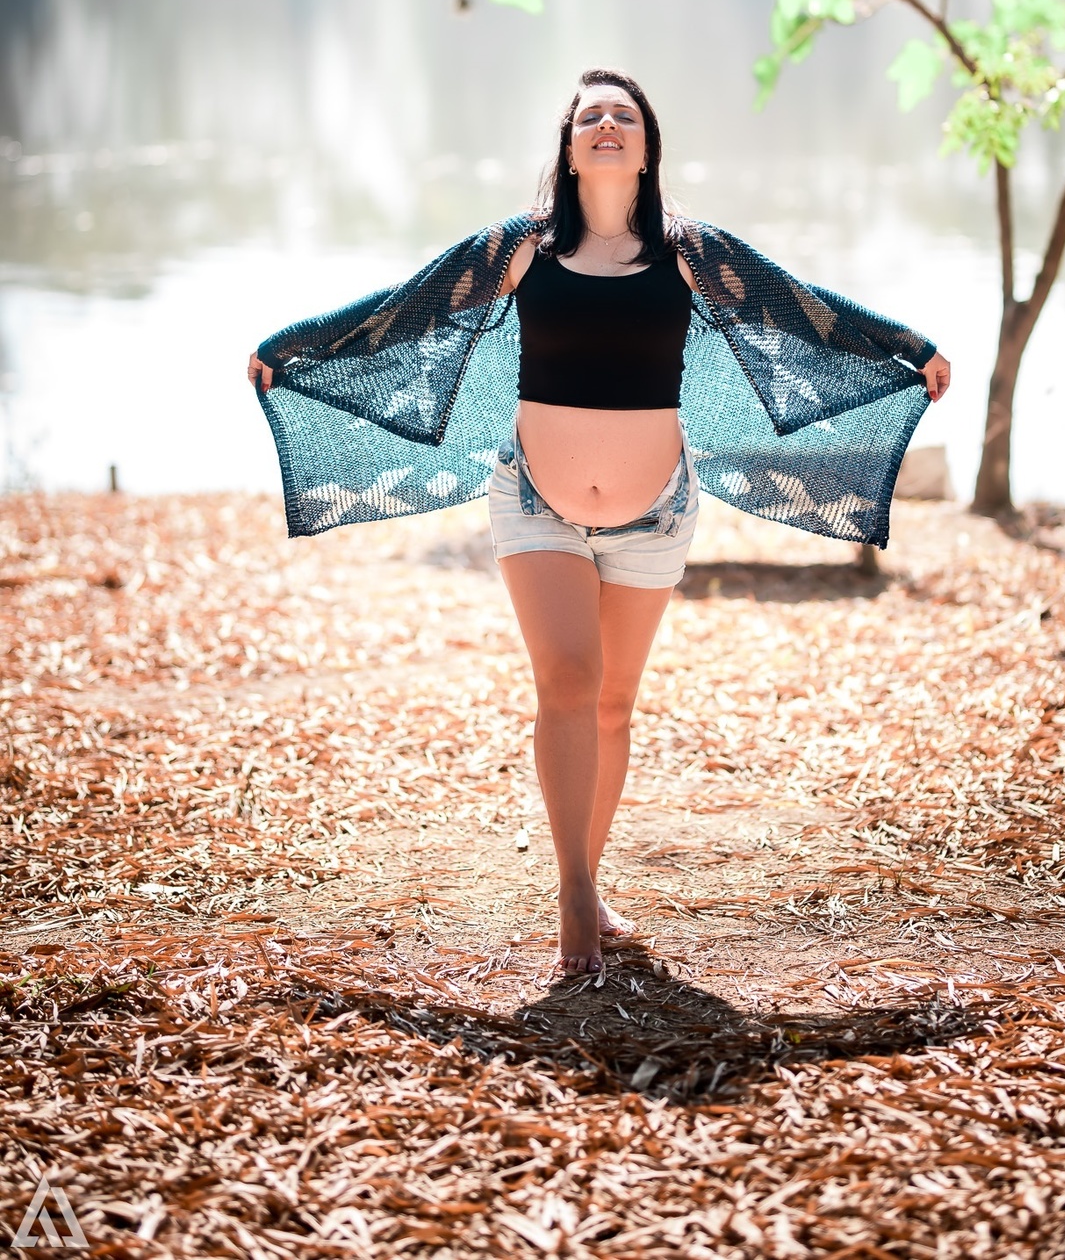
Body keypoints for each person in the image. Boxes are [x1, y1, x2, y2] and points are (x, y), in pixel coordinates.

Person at [248, 68, 950, 976]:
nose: (608, 125)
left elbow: (801, 310)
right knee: (570, 682)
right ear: (570, 147)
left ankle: (589, 873)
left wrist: (909, 349)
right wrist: (291, 347)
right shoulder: (520, 246)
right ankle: (575, 898)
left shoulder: (691, 252)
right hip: (533, 498)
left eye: (624, 114)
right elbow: (404, 312)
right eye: (591, 116)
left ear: (648, 145)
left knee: (614, 704)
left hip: (656, 513)